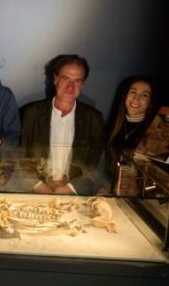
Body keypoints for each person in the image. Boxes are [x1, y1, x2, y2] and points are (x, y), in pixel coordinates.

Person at [20, 54, 105, 194]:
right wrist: (38, 186)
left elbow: (96, 164)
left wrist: (70, 189)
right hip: (35, 191)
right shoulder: (31, 113)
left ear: (82, 84)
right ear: (55, 79)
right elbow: (19, 156)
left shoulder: (93, 118)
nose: (70, 87)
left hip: (75, 193)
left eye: (77, 81)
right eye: (65, 78)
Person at [107, 75, 169, 150]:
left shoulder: (157, 129)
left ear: (151, 102)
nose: (136, 98)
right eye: (133, 92)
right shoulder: (113, 123)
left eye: (145, 95)